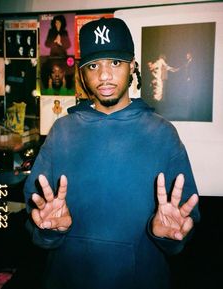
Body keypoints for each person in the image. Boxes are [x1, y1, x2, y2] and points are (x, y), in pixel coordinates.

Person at [24, 17, 200, 289]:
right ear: (82, 73)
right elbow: (34, 219)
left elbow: (184, 224)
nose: (104, 75)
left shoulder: (163, 134)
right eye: (93, 65)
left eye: (115, 63)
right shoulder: (61, 131)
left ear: (133, 67)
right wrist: (47, 231)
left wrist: (168, 236)